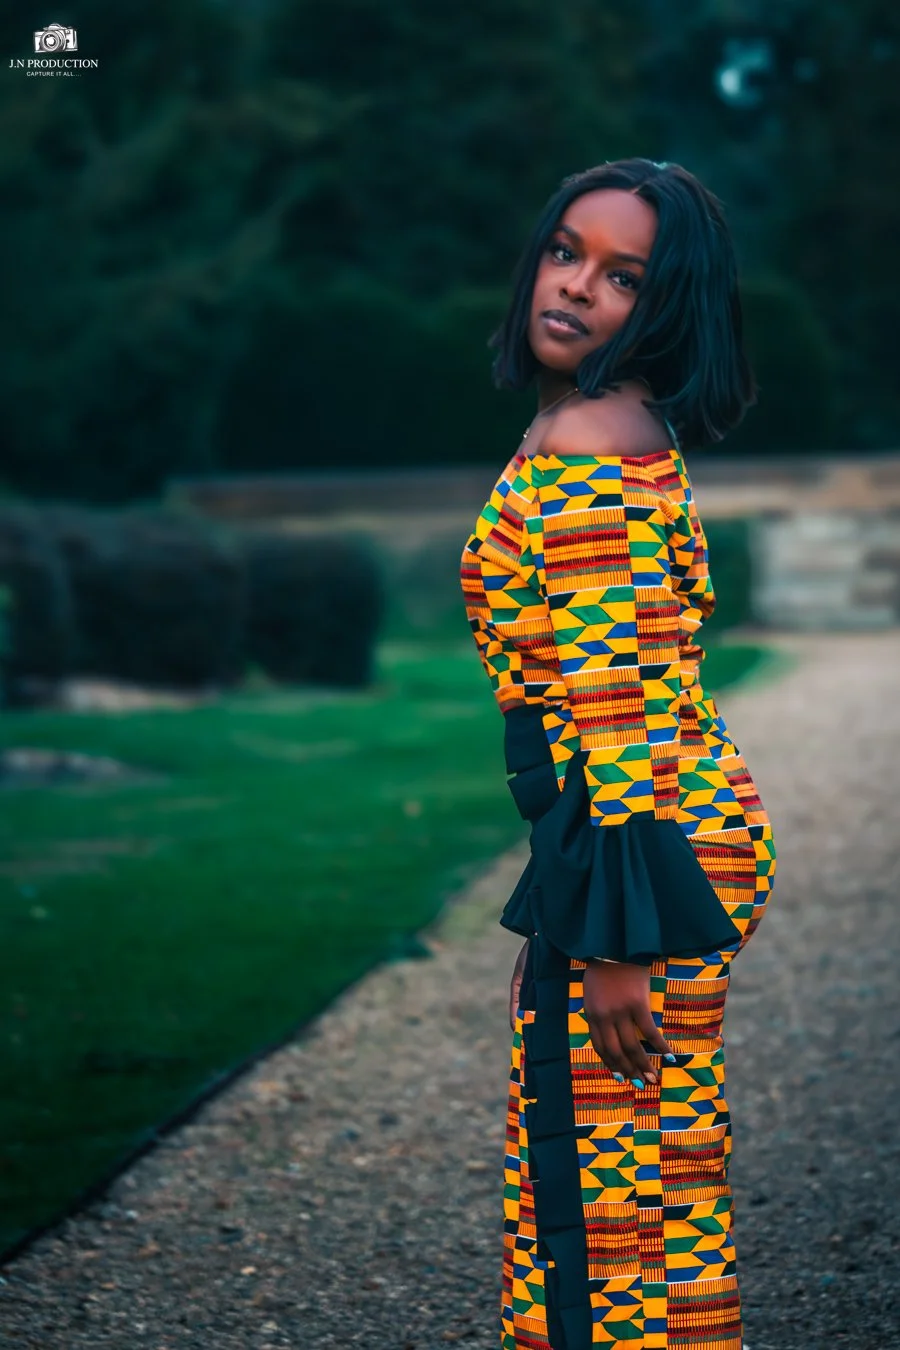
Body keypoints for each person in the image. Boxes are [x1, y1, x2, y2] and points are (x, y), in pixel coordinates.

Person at [459, 158, 777, 1350]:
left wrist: (619, 942)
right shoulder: (603, 423)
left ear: (667, 306)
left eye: (623, 277)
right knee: (651, 1179)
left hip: (642, 848)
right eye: (566, 252)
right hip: (653, 839)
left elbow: (618, 707)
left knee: (596, 1200)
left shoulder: (589, 440)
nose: (578, 286)